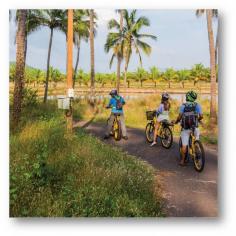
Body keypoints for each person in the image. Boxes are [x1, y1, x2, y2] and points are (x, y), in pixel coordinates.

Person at [173, 90, 203, 166]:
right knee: (196, 140)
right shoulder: (197, 105)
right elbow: (201, 116)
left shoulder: (183, 106)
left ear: (187, 97)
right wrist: (198, 120)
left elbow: (179, 117)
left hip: (185, 128)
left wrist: (176, 121)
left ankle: (183, 161)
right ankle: (197, 151)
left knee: (184, 145)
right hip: (195, 127)